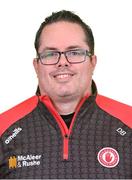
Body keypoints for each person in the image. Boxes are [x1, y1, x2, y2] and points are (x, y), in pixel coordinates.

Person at [0, 10, 132, 179]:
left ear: (92, 62)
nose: (62, 62)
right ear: (36, 66)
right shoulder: (3, 128)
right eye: (50, 54)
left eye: (75, 52)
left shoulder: (129, 123)